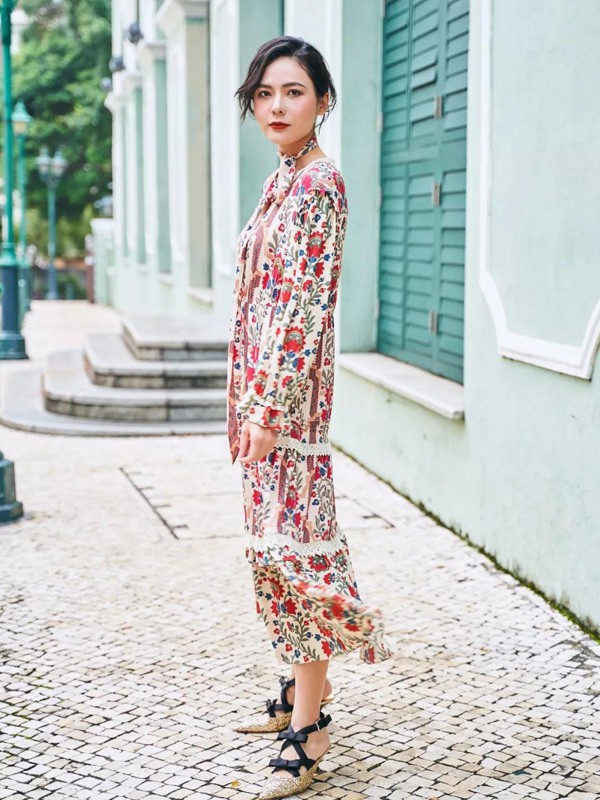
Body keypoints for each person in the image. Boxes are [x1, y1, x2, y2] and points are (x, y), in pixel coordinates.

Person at [227, 35, 393, 800]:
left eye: (293, 92)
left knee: (300, 562)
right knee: (276, 556)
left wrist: (267, 409)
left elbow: (301, 308)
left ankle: (310, 730)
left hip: (289, 415)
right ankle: (299, 690)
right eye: (264, 93)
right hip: (264, 404)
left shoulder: (319, 182)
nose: (275, 106)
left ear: (323, 101)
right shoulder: (283, 177)